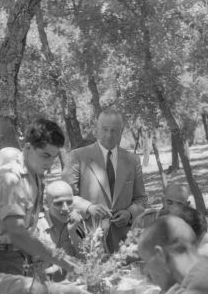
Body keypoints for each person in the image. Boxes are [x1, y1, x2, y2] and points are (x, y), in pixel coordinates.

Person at [0, 118, 80, 276]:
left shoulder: (36, 173)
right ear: (27, 148)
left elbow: (28, 226)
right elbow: (17, 233)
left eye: (54, 156)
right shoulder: (10, 178)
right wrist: (61, 260)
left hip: (20, 255)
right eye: (45, 155)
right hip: (0, 258)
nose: (50, 162)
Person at [62, 108, 147, 253]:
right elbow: (65, 198)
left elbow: (141, 199)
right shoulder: (77, 157)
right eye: (105, 129)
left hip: (125, 242)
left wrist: (129, 213)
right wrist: (89, 207)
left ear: (121, 131)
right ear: (96, 129)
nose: (109, 135)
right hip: (90, 240)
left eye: (114, 130)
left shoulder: (132, 160)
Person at [36, 180, 87, 281]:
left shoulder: (78, 222)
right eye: (58, 203)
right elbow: (29, 270)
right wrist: (57, 268)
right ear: (46, 204)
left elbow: (86, 260)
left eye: (69, 202)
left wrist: (73, 233)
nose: (65, 208)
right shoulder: (37, 226)